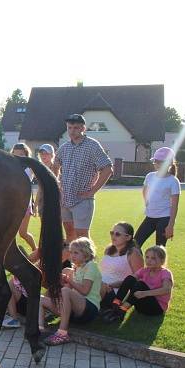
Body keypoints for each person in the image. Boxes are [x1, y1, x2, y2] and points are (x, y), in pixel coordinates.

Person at [53, 114, 113, 242]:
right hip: (65, 200)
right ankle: (70, 262)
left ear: (83, 128)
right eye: (69, 128)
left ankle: (90, 262)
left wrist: (92, 191)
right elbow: (54, 166)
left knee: (82, 237)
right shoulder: (65, 147)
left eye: (75, 128)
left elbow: (108, 169)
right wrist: (58, 185)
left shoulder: (92, 146)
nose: (72, 131)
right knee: (69, 235)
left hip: (82, 200)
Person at [41, 237, 101, 345]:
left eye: (76, 253)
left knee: (65, 291)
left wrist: (70, 281)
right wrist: (61, 281)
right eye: (71, 252)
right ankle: (39, 330)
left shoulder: (91, 267)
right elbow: (68, 290)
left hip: (89, 309)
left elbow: (85, 291)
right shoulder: (76, 268)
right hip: (74, 310)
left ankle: (62, 333)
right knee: (40, 299)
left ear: (86, 254)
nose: (72, 256)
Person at [102, 245, 173, 322]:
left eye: (153, 258)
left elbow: (166, 289)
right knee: (130, 278)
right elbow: (128, 281)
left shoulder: (165, 273)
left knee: (140, 284)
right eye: (147, 257)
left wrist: (145, 293)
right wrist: (112, 285)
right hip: (141, 305)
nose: (148, 260)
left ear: (162, 260)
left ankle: (122, 310)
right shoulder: (145, 270)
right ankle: (116, 304)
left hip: (156, 308)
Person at [135, 147, 181, 248]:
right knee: (135, 244)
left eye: (161, 162)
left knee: (159, 249)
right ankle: (140, 264)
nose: (158, 164)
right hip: (150, 217)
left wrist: (170, 226)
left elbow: (174, 206)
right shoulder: (150, 176)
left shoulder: (173, 181)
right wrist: (146, 202)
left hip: (164, 218)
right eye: (156, 162)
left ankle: (158, 264)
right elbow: (145, 190)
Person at [99, 222, 143, 310]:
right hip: (101, 286)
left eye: (117, 234)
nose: (113, 236)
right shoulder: (109, 249)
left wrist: (116, 285)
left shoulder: (133, 253)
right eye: (112, 233)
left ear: (128, 237)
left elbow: (139, 279)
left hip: (116, 292)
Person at [11, 143, 37, 251]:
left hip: (25, 204)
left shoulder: (30, 168)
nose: (18, 157)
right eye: (15, 154)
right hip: (11, 204)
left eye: (21, 154)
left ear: (26, 155)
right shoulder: (10, 167)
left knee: (22, 233)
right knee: (9, 234)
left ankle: (35, 250)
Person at [35, 143, 56, 216]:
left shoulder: (56, 168)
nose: (43, 156)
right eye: (41, 153)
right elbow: (40, 189)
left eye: (46, 153)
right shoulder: (40, 169)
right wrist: (35, 206)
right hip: (42, 203)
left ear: (52, 155)